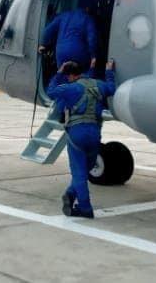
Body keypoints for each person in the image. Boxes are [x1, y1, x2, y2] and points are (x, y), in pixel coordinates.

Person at [46, 60, 117, 218]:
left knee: (78, 173)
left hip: (77, 133)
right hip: (95, 133)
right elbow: (112, 88)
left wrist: (58, 73)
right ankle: (70, 194)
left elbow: (50, 92)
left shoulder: (70, 88)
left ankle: (85, 208)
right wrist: (109, 72)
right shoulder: (99, 85)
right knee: (87, 168)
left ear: (70, 75)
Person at [39, 0, 99, 69]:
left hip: (61, 53)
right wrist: (93, 56)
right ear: (88, 8)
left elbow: (48, 30)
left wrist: (43, 44)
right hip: (79, 54)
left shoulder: (62, 15)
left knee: (61, 75)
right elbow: (92, 39)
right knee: (80, 77)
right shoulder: (88, 18)